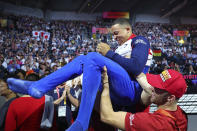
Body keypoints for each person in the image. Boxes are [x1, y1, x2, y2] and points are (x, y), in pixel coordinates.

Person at [7, 18, 152, 131]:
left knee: (94, 57)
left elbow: (136, 67)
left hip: (133, 90)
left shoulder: (139, 40)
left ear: (127, 29)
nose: (114, 38)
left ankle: (82, 120)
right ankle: (39, 86)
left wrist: (108, 53)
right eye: (112, 35)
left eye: (116, 33)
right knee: (85, 59)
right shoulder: (120, 48)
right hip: (115, 92)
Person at [100, 66, 188, 131]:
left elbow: (107, 116)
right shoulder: (181, 115)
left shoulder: (154, 123)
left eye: (158, 88)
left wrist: (105, 84)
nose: (152, 87)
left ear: (170, 98)